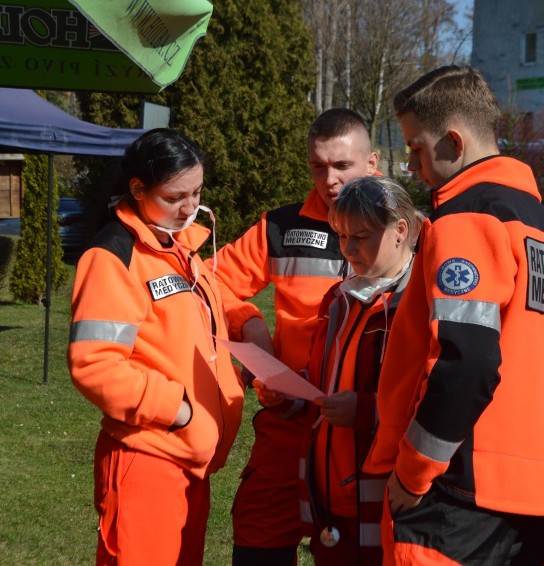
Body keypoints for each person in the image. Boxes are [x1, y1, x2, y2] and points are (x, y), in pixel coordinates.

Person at [362, 65, 544, 564]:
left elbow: (466, 361)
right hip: (529, 497)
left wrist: (414, 470)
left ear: (453, 142)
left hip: (453, 491)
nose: (412, 165)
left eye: (418, 149)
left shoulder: (465, 219)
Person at [67, 128, 245, 566]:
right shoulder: (114, 255)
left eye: (197, 192)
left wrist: (251, 322)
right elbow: (94, 365)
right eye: (175, 196)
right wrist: (180, 411)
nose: (189, 207)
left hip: (189, 462)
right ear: (138, 189)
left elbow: (209, 306)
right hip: (147, 458)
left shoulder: (177, 245)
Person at [212, 108, 379, 565]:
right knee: (258, 541)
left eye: (343, 166)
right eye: (318, 166)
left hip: (365, 432)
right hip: (288, 422)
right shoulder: (280, 227)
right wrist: (251, 326)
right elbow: (213, 282)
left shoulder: (406, 232)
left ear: (373, 163)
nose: (330, 180)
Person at [289, 176, 422, 565]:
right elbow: (326, 375)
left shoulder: (418, 303)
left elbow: (433, 398)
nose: (348, 249)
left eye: (361, 237)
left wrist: (365, 410)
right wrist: (292, 391)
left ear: (400, 230)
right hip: (331, 490)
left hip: (384, 498)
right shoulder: (339, 298)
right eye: (342, 236)